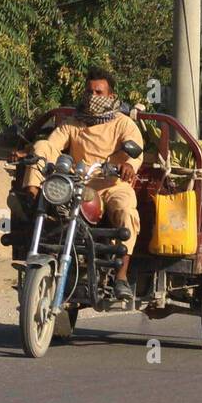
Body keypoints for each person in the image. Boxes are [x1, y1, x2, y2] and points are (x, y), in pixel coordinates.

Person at [20, 68, 145, 301]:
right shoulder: (73, 123)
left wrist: (128, 164)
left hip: (112, 183)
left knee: (127, 210)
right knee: (40, 147)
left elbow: (135, 150)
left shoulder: (123, 123)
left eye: (99, 92)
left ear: (110, 95)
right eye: (89, 91)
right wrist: (36, 157)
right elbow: (53, 144)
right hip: (77, 184)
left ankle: (121, 276)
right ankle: (33, 195)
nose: (93, 96)